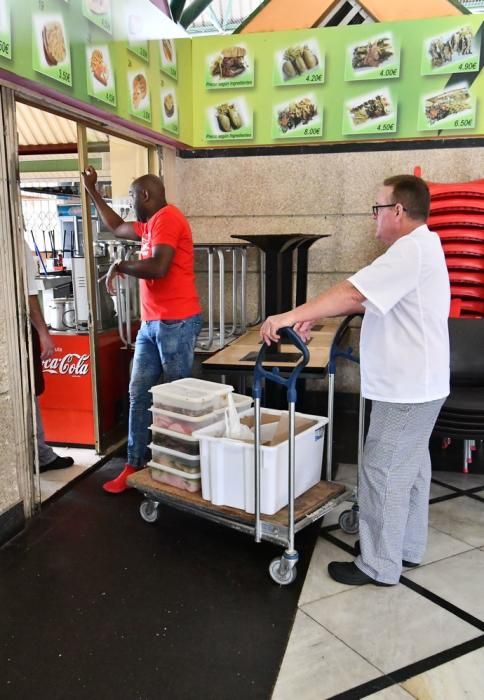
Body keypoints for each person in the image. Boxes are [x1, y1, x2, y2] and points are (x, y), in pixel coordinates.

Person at [260, 174, 450, 587]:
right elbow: (371, 298)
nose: (375, 218)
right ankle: (407, 548)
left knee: (383, 473)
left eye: (378, 209)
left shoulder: (408, 251)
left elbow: (352, 292)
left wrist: (289, 316)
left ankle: (379, 565)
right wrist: (315, 313)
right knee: (410, 471)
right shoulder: (422, 247)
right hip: (422, 384)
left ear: (398, 211)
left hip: (408, 389)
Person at [82, 166, 203, 494]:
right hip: (152, 324)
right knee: (139, 394)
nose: (131, 203)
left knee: (177, 399)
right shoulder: (150, 225)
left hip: (176, 322)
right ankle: (135, 465)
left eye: (133, 197)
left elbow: (159, 267)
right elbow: (117, 226)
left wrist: (120, 265)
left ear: (145, 196)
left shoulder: (168, 219)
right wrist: (92, 189)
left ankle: (181, 471)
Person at [25, 241, 75, 473]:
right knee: (29, 391)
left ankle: (38, 454)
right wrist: (44, 333)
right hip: (20, 330)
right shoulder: (16, 243)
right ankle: (42, 456)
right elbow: (29, 295)